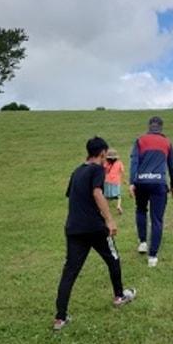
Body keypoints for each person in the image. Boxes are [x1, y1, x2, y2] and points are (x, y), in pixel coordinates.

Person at [54, 137, 136, 331]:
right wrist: (109, 220)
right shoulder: (97, 169)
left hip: (74, 228)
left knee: (70, 271)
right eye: (106, 156)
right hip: (94, 228)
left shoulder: (77, 171)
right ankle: (119, 296)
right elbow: (97, 193)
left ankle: (60, 318)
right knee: (113, 258)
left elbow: (72, 195)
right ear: (101, 154)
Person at [129, 116, 173, 267]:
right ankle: (152, 257)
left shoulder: (140, 140)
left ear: (149, 126)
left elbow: (134, 162)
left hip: (141, 182)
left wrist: (132, 182)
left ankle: (143, 242)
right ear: (161, 128)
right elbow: (172, 167)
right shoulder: (167, 142)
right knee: (157, 219)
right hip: (159, 183)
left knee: (141, 210)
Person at [104, 148, 125, 215]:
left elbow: (104, 170)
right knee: (118, 196)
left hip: (107, 181)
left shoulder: (106, 163)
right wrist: (124, 179)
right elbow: (122, 171)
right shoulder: (119, 163)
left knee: (106, 197)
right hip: (116, 182)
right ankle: (118, 206)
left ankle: (105, 209)